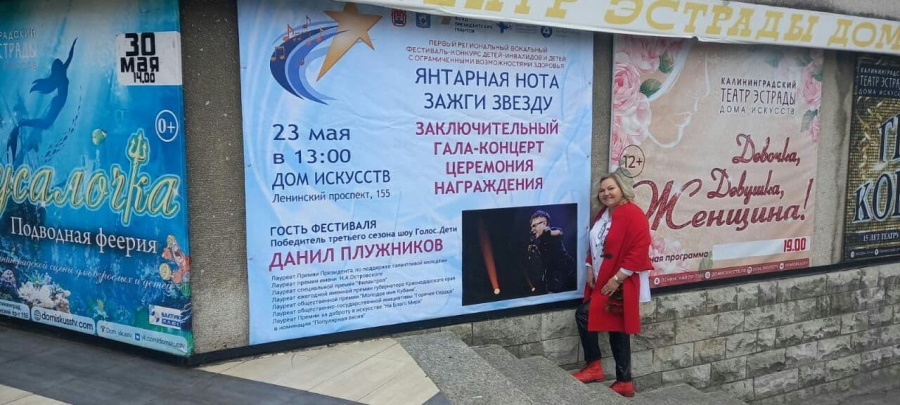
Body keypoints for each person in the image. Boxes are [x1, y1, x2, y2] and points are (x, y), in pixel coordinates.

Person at [571, 172, 653, 397]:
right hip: (601, 277)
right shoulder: (604, 213)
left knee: (585, 315)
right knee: (616, 327)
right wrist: (589, 266)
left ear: (622, 189)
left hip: (620, 281)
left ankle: (595, 366)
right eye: (602, 190)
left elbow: (640, 247)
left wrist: (618, 278)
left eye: (611, 188)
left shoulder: (633, 213)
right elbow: (596, 244)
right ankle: (624, 381)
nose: (606, 193)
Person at [526, 210, 575, 293]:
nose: (532, 229)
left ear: (544, 224)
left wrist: (547, 231)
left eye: (534, 226)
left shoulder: (553, 231)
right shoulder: (538, 241)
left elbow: (559, 232)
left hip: (565, 272)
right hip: (551, 278)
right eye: (531, 227)